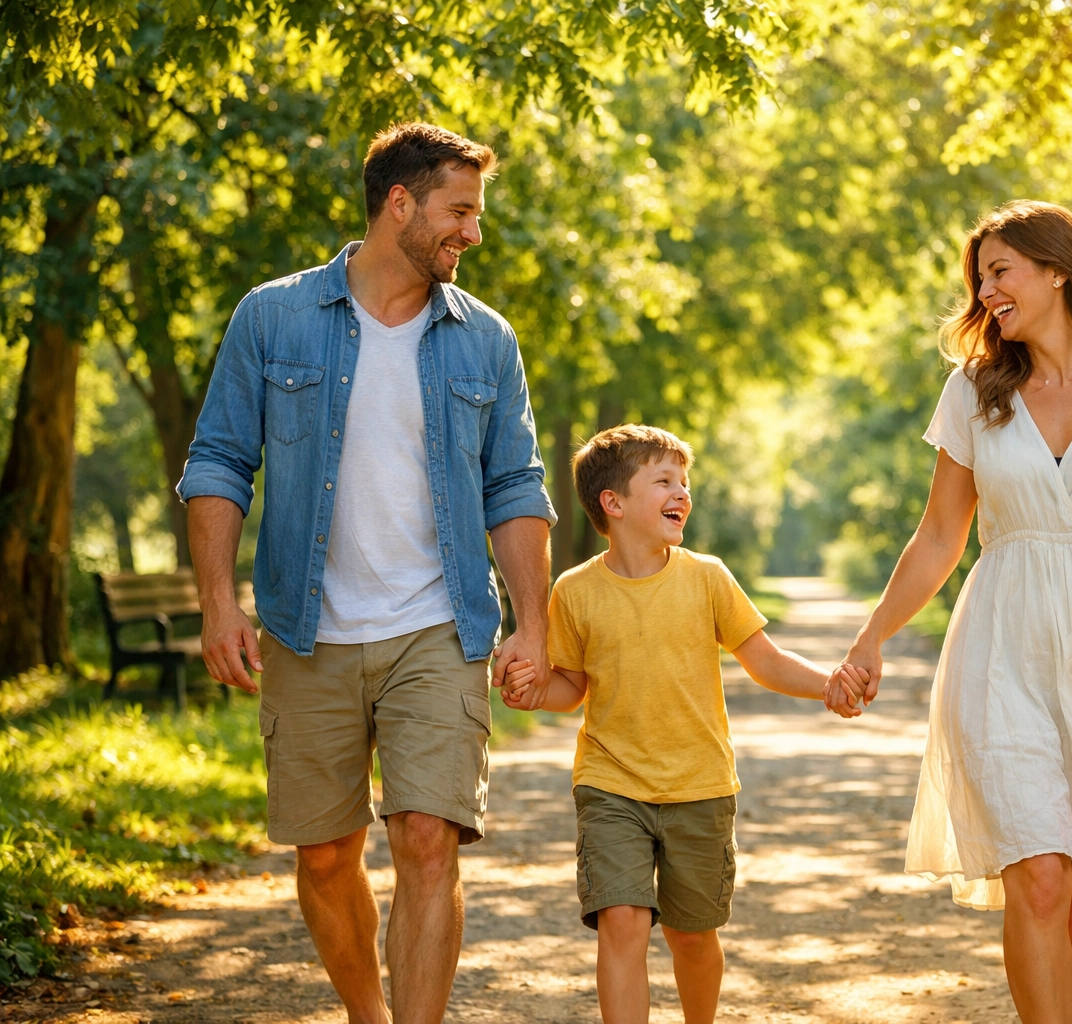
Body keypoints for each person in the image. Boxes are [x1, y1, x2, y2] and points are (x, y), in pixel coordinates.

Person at [178, 122, 557, 1024]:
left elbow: (515, 485)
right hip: (309, 628)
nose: (473, 232)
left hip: (439, 623)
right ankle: (367, 1014)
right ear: (400, 204)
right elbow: (221, 461)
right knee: (323, 856)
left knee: (428, 838)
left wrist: (533, 623)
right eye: (459, 211)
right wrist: (219, 602)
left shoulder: (485, 340)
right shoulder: (272, 317)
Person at [827, 200, 1072, 1024]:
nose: (987, 290)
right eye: (980, 277)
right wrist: (872, 637)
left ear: (1057, 269)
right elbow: (937, 537)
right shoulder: (974, 391)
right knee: (1037, 873)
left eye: (1000, 270)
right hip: (1002, 648)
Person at [502, 425, 861, 1024]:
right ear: (612, 504)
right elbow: (572, 687)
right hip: (610, 784)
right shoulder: (575, 591)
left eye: (685, 481)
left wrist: (827, 684)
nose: (683, 493)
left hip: (701, 786)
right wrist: (535, 689)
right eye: (664, 481)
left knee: (692, 937)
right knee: (622, 920)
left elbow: (765, 660)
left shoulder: (707, 577)